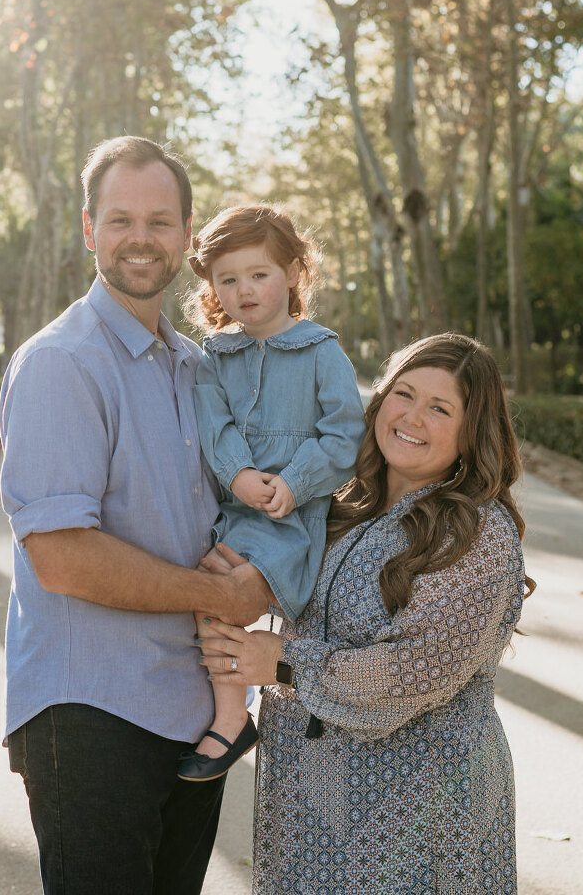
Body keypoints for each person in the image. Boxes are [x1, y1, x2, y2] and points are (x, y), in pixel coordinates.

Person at [0, 135, 275, 895]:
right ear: (89, 230)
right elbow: (62, 556)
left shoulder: (197, 367)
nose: (140, 238)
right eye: (120, 220)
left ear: (186, 238)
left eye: (160, 221)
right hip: (90, 713)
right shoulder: (63, 363)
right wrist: (221, 596)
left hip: (191, 714)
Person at [196, 332, 532, 894]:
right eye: (403, 394)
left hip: (420, 819)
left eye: (440, 408)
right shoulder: (339, 505)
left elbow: (413, 670)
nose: (413, 417)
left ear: (472, 432)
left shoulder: (477, 532)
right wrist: (242, 579)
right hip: (308, 807)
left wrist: (280, 662)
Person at [175, 204, 365, 782]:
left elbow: (344, 432)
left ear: (292, 273)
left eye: (258, 274)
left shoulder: (320, 351)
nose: (244, 290)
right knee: (208, 586)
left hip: (291, 520)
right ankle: (234, 715)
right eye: (227, 280)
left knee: (220, 585)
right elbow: (214, 425)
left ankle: (231, 719)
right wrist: (236, 474)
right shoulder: (215, 356)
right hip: (233, 512)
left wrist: (293, 481)